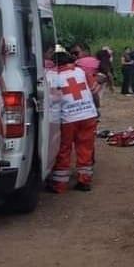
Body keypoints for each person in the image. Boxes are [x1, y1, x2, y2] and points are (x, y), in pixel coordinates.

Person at [49, 46, 98, 193]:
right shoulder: (81, 71)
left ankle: (59, 184)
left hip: (68, 118)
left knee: (64, 150)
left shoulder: (51, 75)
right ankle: (84, 181)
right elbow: (94, 90)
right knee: (85, 148)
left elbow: (51, 99)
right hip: (88, 114)